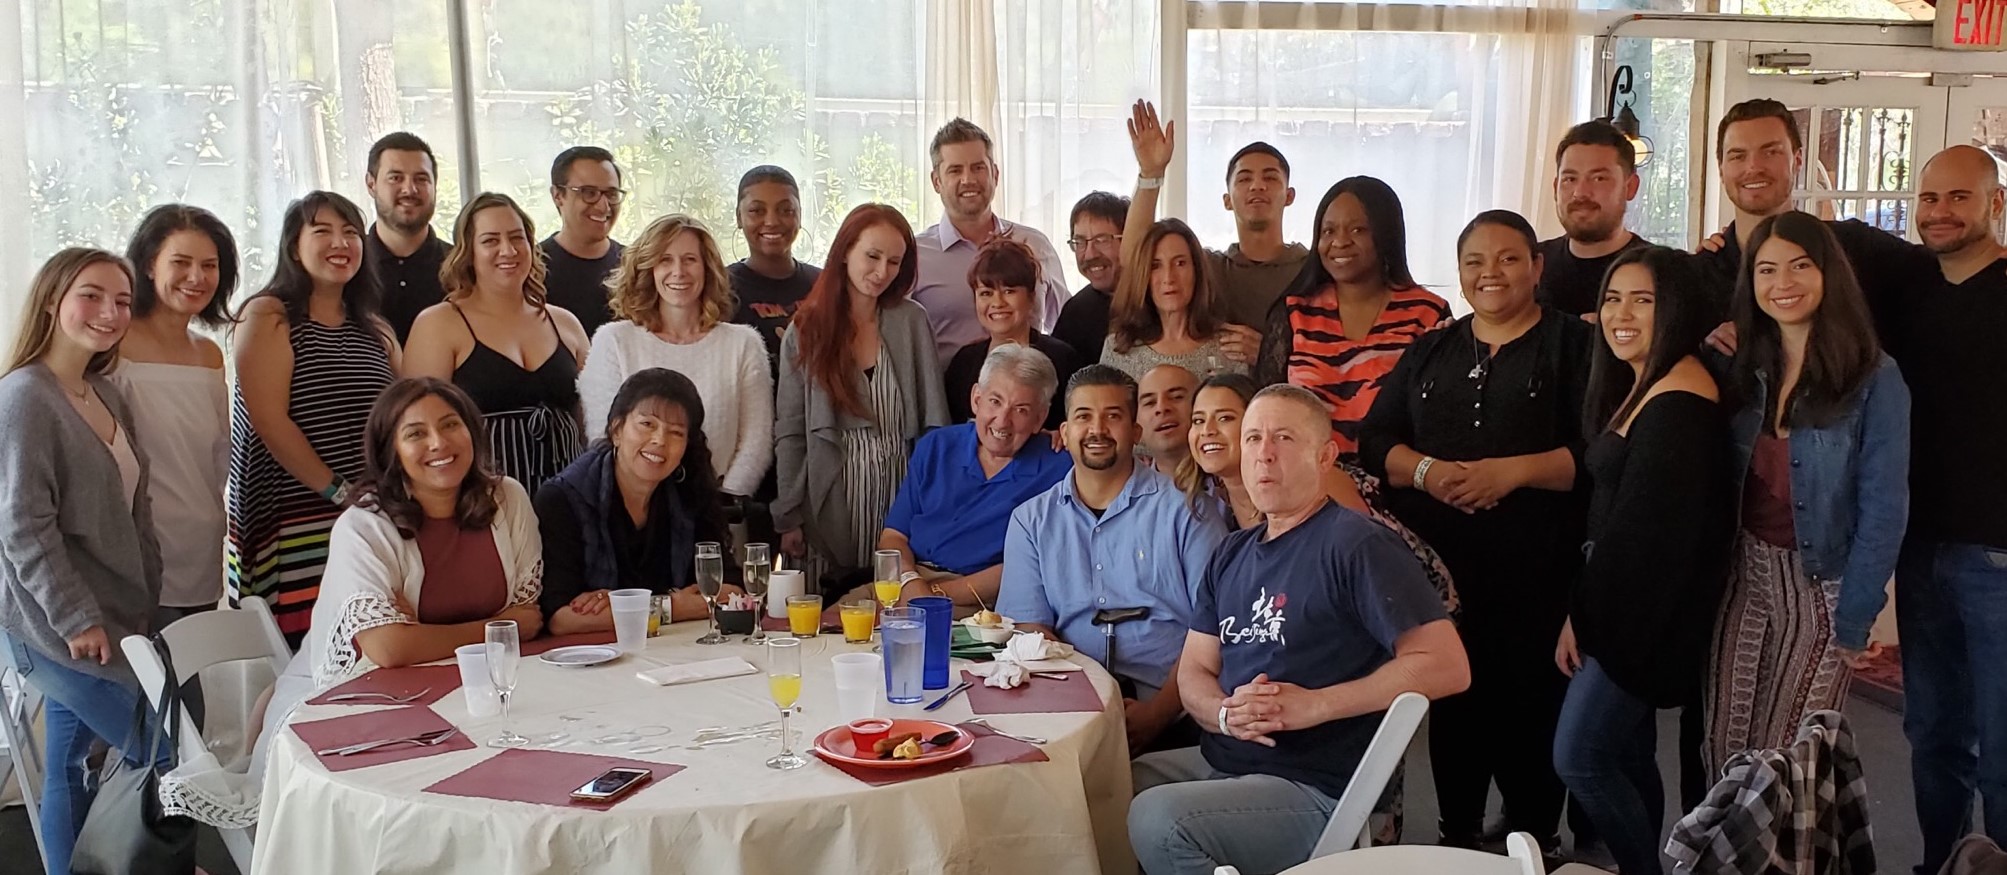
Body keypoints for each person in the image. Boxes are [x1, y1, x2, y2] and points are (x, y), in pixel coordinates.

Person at [1128, 385, 1470, 875]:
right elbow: (1195, 671)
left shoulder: (1357, 545)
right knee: (1118, 783)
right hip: (1229, 759)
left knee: (1159, 818)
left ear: (1325, 455)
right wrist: (1225, 715)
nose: (1264, 454)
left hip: (1315, 785)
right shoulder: (1231, 553)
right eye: (1252, 438)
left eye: (1283, 438)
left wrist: (1317, 704)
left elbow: (1447, 667)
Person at [1359, 210, 1593, 853]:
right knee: (1456, 701)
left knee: (1533, 704)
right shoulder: (1433, 346)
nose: (1491, 273)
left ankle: (1535, 838)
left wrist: (1511, 474)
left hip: (1541, 569)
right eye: (1474, 262)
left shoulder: (1578, 347)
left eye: (1509, 258)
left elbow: (1599, 452)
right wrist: (1428, 472)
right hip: (1442, 572)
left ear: (1537, 266)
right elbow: (1378, 441)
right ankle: (1457, 833)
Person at [1706, 211, 1910, 774]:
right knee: (1725, 746)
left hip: (1824, 585)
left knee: (1788, 759)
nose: (1783, 283)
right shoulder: (1740, 363)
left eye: (1800, 266)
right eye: (1767, 270)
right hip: (1743, 575)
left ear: (1829, 275)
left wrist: (1856, 618)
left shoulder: (1874, 377)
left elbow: (1884, 509)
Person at [1552, 246, 1733, 875]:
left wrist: (1589, 619)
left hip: (1637, 618)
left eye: (1643, 300)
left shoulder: (1681, 399)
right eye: (1612, 298)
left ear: (1675, 309)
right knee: (1625, 757)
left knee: (1579, 757)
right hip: (1615, 605)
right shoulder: (1651, 383)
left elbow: (1650, 541)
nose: (1620, 314)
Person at [0, 248, 173, 875]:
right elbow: (22, 526)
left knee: (71, 766)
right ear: (53, 299)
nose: (110, 312)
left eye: (123, 300)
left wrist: (144, 600)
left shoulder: (103, 393)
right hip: (53, 628)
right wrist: (75, 618)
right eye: (92, 295)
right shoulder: (24, 397)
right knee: (163, 753)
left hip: (117, 618)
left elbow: (136, 509)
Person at [1002, 364, 1228, 753]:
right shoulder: (1031, 520)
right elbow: (1031, 628)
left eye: (1113, 417)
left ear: (1135, 431)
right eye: (1084, 417)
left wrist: (1158, 714)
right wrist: (1081, 707)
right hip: (1068, 706)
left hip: (1175, 712)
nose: (1098, 430)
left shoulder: (1189, 513)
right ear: (1066, 432)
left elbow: (1214, 631)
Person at [1900, 144, 2007, 875]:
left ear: (1994, 204)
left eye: (1958, 198)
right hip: (1919, 547)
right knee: (1932, 730)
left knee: (2002, 739)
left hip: (1998, 554)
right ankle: (1941, 861)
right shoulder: (1907, 288)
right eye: (1928, 197)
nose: (1938, 212)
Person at [229, 191, 401, 645]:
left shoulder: (375, 328)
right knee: (309, 652)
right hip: (295, 514)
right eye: (321, 231)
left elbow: (403, 413)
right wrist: (336, 490)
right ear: (293, 246)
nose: (339, 243)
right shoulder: (268, 315)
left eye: (349, 232)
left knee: (370, 638)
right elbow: (270, 422)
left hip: (370, 511)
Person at [305, 378, 544, 687]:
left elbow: (527, 615)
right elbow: (388, 648)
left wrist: (421, 634)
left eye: (450, 425)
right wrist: (498, 627)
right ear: (392, 451)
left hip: (486, 680)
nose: (438, 443)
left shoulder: (507, 498)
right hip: (373, 689)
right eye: (416, 434)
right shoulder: (363, 526)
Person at [774, 204, 950, 583]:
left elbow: (935, 422)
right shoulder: (806, 329)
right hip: (829, 494)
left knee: (894, 605)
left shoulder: (912, 321)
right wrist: (788, 516)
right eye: (872, 256)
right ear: (844, 252)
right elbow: (790, 432)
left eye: (894, 262)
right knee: (825, 616)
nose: (882, 272)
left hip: (900, 492)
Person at [1701, 99, 1936, 350]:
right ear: (1721, 169)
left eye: (1771, 152)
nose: (1753, 167)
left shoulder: (1857, 248)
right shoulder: (1701, 274)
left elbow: (1946, 274)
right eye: (1738, 156)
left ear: (1798, 160)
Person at [404, 192, 590, 496]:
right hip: (480, 502)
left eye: (517, 238)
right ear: (468, 252)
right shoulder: (439, 323)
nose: (508, 250)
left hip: (567, 497)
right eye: (490, 240)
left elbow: (592, 420)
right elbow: (416, 428)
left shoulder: (565, 323)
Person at [1253, 176, 1451, 461]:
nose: (1340, 242)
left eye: (1358, 229)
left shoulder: (1428, 313)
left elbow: (1438, 420)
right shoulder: (1294, 312)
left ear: (1385, 234)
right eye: (1328, 231)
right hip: (1306, 485)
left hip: (1396, 485)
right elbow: (1265, 413)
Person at [579, 214, 772, 499]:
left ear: (708, 268)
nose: (678, 271)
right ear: (648, 268)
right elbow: (604, 438)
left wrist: (721, 506)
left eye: (690, 260)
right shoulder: (613, 341)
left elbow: (756, 443)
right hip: (635, 519)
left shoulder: (744, 344)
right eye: (665, 260)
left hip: (722, 516)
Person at [868, 344, 1072, 615]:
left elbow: (1032, 563)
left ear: (1040, 418)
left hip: (980, 602)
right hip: (903, 583)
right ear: (976, 399)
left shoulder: (1059, 468)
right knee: (826, 633)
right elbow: (893, 536)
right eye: (995, 402)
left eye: (1020, 410)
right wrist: (909, 581)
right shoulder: (937, 446)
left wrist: (934, 595)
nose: (1002, 421)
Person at [538, 369, 739, 635]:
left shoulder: (689, 492)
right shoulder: (563, 498)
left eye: (676, 433)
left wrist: (624, 607)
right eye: (647, 424)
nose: (659, 440)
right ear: (616, 429)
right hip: (596, 657)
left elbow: (730, 590)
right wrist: (672, 607)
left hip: (678, 649)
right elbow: (562, 619)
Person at [113, 205, 236, 627]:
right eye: (180, 263)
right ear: (149, 265)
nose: (196, 277)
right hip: (135, 549)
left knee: (188, 680)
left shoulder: (208, 354)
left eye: (209, 265)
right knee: (153, 685)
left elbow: (220, 455)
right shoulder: (114, 345)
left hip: (201, 541)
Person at [1124, 99, 1307, 366]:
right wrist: (1151, 174)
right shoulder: (1211, 268)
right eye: (1244, 179)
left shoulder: (1311, 269)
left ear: (1289, 195)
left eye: (1270, 178)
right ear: (1227, 200)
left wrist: (1270, 354)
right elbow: (1134, 258)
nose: (1257, 186)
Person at [912, 118, 1070, 365]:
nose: (968, 179)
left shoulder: (1034, 244)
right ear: (936, 181)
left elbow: (1065, 325)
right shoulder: (914, 256)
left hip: (1033, 394)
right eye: (955, 170)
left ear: (995, 174)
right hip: (951, 397)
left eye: (978, 167)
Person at [945, 237, 1082, 429]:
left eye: (1009, 291)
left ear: (1031, 297)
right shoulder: (963, 363)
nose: (998, 302)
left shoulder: (1063, 359)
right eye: (986, 293)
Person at [1102, 219, 1248, 382]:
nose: (1169, 278)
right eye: (1156, 266)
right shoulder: (1119, 348)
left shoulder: (1228, 347)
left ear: (1197, 270)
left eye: (1180, 263)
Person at [1537, 121, 1652, 320]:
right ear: (1556, 188)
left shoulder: (1662, 272)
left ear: (1631, 187)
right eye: (1570, 179)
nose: (1580, 193)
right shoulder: (1530, 268)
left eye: (1598, 178)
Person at [728, 165, 822, 377]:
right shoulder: (719, 288)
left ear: (800, 215)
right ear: (739, 217)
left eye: (786, 210)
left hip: (817, 409)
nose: (771, 221)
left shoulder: (824, 283)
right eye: (756, 211)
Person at [363, 132, 450, 343]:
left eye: (421, 179)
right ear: (371, 184)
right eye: (395, 178)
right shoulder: (346, 267)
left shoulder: (462, 267)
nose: (409, 189)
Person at [541, 146, 627, 338]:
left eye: (612, 194)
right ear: (557, 195)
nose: (603, 205)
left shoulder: (637, 266)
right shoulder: (529, 269)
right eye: (589, 193)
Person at [1052, 191, 1129, 360]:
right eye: (1079, 242)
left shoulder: (1160, 301)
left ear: (1130, 241)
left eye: (1101, 240)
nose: (1089, 254)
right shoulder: (1076, 313)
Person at [1138, 363, 1199, 476]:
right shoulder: (1125, 488)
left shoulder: (1230, 484)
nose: (1161, 408)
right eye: (1149, 402)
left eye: (1177, 397)